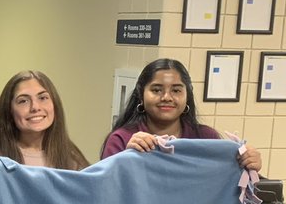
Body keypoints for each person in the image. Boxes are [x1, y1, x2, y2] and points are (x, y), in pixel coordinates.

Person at [101, 58, 262, 170]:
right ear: (141, 95)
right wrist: (127, 157)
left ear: (187, 95)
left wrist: (248, 164)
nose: (166, 97)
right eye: (156, 90)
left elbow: (230, 186)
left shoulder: (206, 137)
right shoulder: (122, 139)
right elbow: (106, 192)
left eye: (176, 90)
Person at [0, 70, 89, 169]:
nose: (35, 107)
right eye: (23, 101)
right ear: (9, 111)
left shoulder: (73, 160)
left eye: (42, 98)